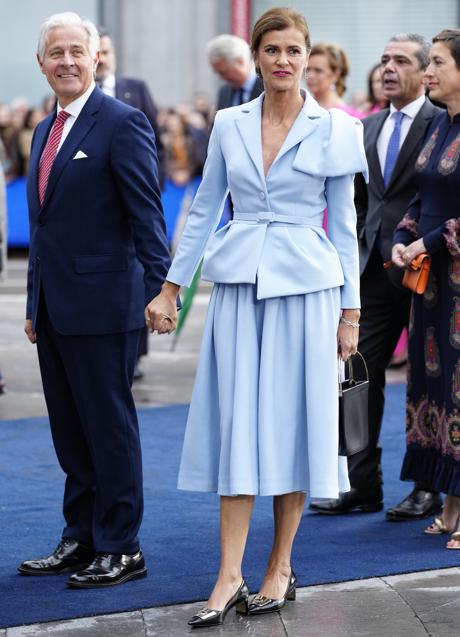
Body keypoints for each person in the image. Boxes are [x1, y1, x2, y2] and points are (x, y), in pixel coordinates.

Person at [147, 6, 366, 628]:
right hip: (240, 283)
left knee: (296, 424)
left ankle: (280, 566)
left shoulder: (336, 128)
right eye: (272, 50)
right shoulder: (228, 123)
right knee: (238, 423)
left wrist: (350, 312)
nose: (284, 61)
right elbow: (205, 208)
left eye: (294, 51)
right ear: (257, 55)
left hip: (309, 290)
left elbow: (344, 226)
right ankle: (227, 574)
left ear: (307, 55)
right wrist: (172, 290)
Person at [18, 12, 171, 588]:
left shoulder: (122, 122)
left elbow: (146, 214)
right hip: (56, 307)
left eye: (76, 52)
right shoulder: (43, 129)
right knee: (69, 429)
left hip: (106, 304)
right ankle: (81, 536)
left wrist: (162, 290)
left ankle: (121, 545)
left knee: (108, 427)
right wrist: (35, 304)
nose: (67, 62)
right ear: (42, 63)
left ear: (95, 58)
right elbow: (46, 228)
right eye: (56, 53)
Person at [310, 34, 443, 519]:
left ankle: (427, 487)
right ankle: (362, 485)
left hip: (426, 270)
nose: (388, 68)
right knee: (356, 375)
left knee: (426, 380)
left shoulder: (441, 123)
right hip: (371, 270)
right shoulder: (365, 127)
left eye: (401, 60)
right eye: (384, 59)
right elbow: (358, 199)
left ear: (427, 72)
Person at [391, 29, 460, 547]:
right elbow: (422, 196)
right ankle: (451, 500)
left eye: (436, 62)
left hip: (456, 280)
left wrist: (429, 243)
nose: (427, 71)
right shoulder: (439, 124)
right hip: (430, 284)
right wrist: (403, 236)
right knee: (435, 388)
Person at [96, 28, 166, 380]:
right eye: (99, 52)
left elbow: (157, 140)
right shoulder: (69, 100)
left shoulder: (133, 89)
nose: (103, 58)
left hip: (136, 200)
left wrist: (155, 186)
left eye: (107, 52)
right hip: (100, 211)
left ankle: (136, 355)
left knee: (139, 276)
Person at [207, 34, 264, 110]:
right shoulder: (224, 92)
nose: (221, 78)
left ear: (240, 61)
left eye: (223, 72)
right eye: (217, 73)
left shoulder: (267, 87)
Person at [306, 42, 362, 117]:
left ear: (335, 75)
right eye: (307, 70)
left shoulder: (348, 115)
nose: (310, 75)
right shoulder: (302, 108)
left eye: (318, 70)